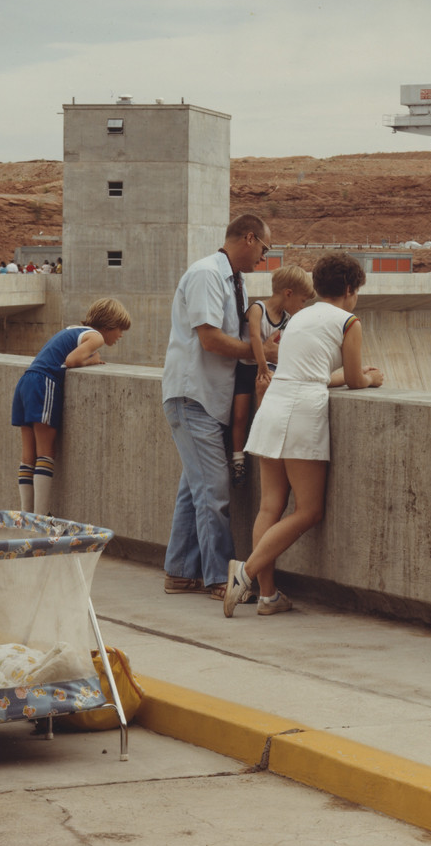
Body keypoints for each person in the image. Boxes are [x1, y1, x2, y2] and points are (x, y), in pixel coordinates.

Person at [225, 253, 383, 618]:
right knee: (309, 510)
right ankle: (245, 574)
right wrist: (372, 378)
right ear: (349, 289)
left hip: (274, 406)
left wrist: (347, 376)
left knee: (270, 506)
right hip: (302, 413)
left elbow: (314, 372)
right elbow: (357, 379)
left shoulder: (299, 319)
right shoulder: (349, 321)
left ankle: (268, 596)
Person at [160, 214, 275, 598]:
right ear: (249, 238)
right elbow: (209, 339)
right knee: (214, 493)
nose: (263, 258)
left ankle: (179, 572)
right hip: (195, 396)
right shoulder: (208, 274)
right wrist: (258, 352)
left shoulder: (232, 280)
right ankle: (220, 579)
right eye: (264, 248)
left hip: (207, 399)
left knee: (196, 491)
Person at [10, 298, 133, 515]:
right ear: (108, 326)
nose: (121, 335)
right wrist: (92, 361)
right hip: (44, 383)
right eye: (120, 329)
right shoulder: (96, 337)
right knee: (45, 453)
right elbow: (72, 361)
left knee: (28, 454)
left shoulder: (73, 329)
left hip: (26, 382)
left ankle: (25, 514)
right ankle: (40, 517)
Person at [231, 265, 313, 485]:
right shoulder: (258, 309)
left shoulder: (286, 318)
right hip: (249, 367)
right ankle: (238, 459)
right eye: (302, 300)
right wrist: (262, 366)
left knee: (265, 402)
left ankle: (263, 445)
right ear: (288, 293)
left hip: (266, 367)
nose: (302, 306)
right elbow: (256, 338)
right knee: (239, 415)